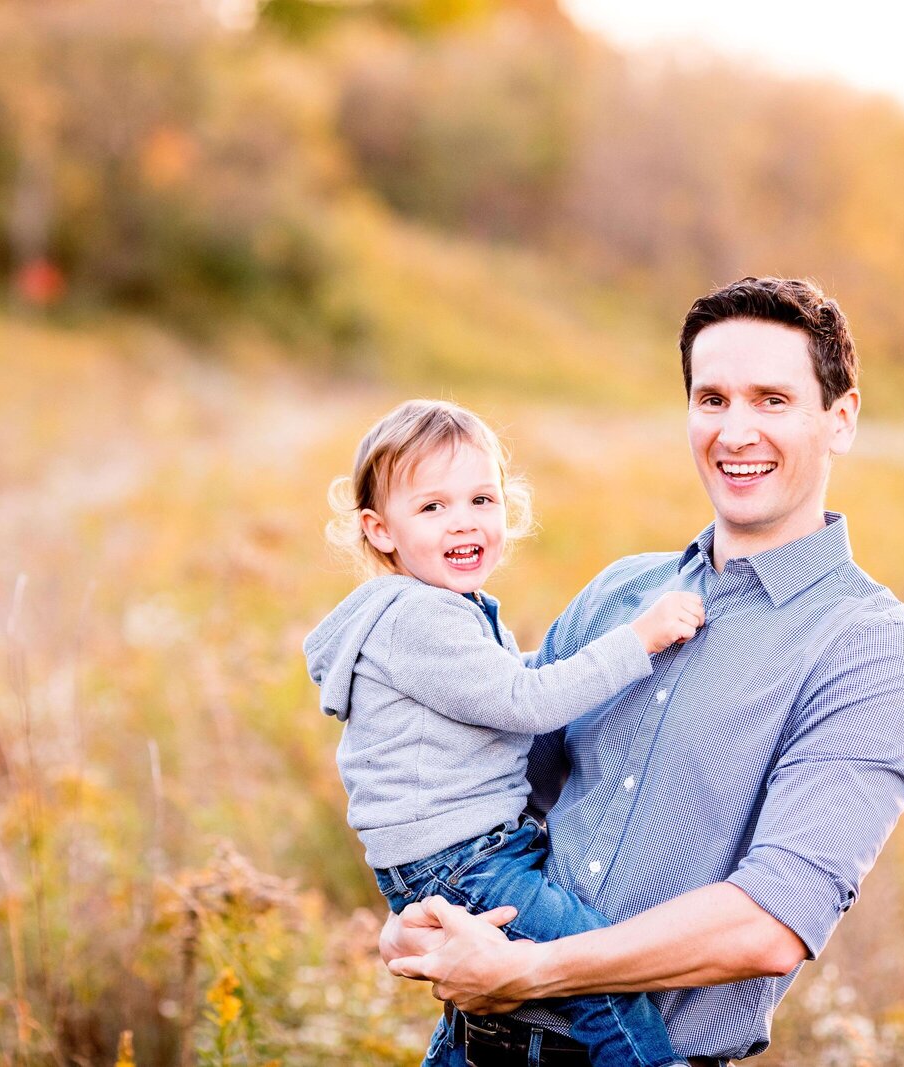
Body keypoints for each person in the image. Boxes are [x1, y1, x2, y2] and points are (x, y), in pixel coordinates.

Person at [380, 276, 904, 1066]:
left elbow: (771, 923)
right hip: (471, 1046)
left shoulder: (868, 646)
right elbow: (485, 793)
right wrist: (410, 921)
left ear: (839, 418)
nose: (736, 431)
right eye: (711, 400)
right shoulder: (619, 595)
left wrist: (531, 969)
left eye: (772, 400)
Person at [303, 398, 707, 1067]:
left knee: (504, 1001)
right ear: (380, 530)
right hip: (467, 861)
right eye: (432, 507)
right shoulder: (419, 618)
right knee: (598, 972)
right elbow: (524, 700)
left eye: (481, 498)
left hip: (461, 855)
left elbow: (494, 691)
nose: (463, 520)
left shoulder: (441, 610)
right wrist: (639, 638)